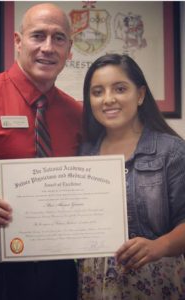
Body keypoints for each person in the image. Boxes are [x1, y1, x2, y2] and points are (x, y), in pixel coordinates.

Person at [0, 3, 82, 300]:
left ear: (69, 50)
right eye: (38, 36)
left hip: (58, 268)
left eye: (58, 38)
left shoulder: (78, 115)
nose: (48, 47)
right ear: (18, 42)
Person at [77, 53, 185, 299]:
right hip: (96, 284)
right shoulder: (83, 155)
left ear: (140, 95)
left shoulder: (173, 151)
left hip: (158, 284)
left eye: (120, 88)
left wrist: (159, 246)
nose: (108, 99)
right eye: (97, 92)